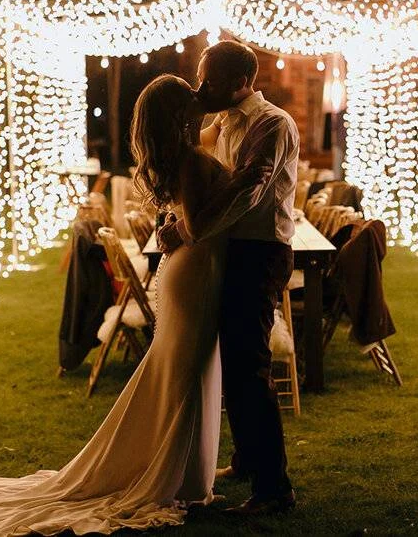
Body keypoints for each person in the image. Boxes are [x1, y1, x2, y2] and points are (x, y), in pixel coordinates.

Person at [0, 75, 263, 536]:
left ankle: (183, 470)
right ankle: (167, 471)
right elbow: (198, 223)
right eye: (191, 97)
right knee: (185, 369)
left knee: (185, 368)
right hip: (196, 269)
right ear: (179, 114)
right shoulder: (194, 161)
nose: (201, 99)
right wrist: (242, 188)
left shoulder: (186, 154)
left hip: (192, 269)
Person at [158, 39, 301, 515]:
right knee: (235, 362)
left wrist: (189, 230)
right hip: (232, 251)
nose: (203, 90)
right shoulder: (221, 124)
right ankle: (245, 460)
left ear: (242, 82)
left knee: (249, 367)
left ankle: (273, 489)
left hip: (261, 252)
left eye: (211, 82)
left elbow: (246, 191)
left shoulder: (273, 124)